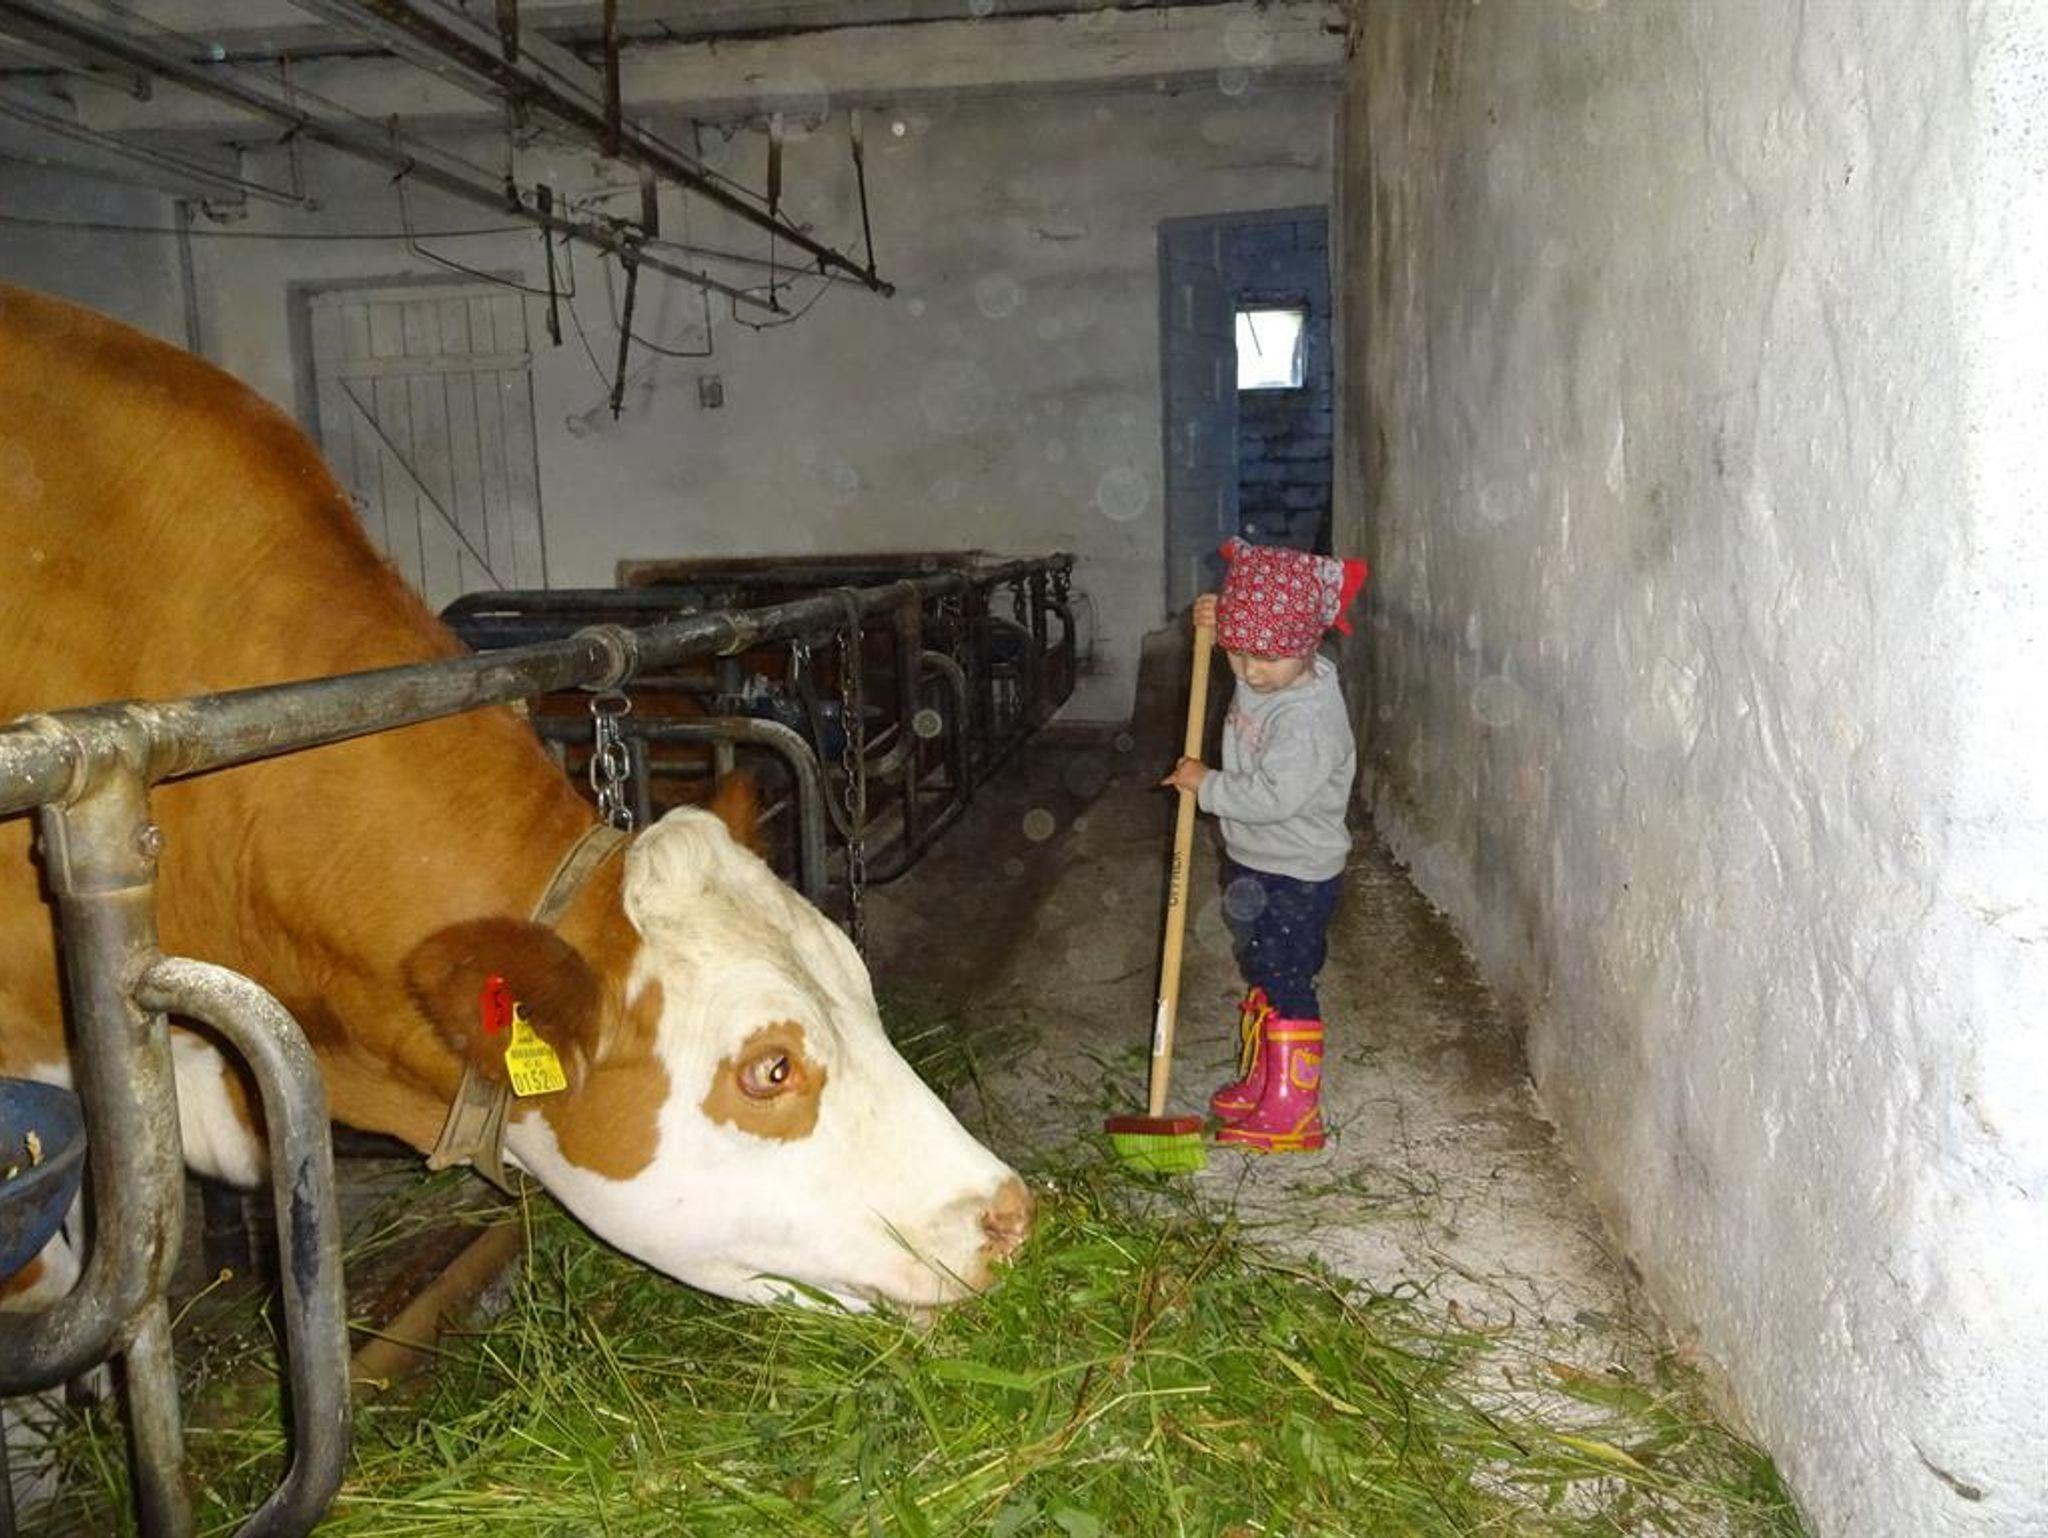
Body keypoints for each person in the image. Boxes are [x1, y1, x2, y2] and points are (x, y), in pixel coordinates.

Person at [1161, 537, 1368, 1153]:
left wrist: (1206, 784)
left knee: (1287, 974)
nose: (1251, 671)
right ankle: (1266, 1073)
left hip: (1296, 870)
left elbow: (1274, 798)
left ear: (1307, 645)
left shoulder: (1307, 718)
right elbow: (1250, 651)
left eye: (1267, 658)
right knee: (1260, 964)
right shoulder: (1274, 668)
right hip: (1254, 857)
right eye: (1239, 652)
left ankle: (1296, 1107)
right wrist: (1215, 618)